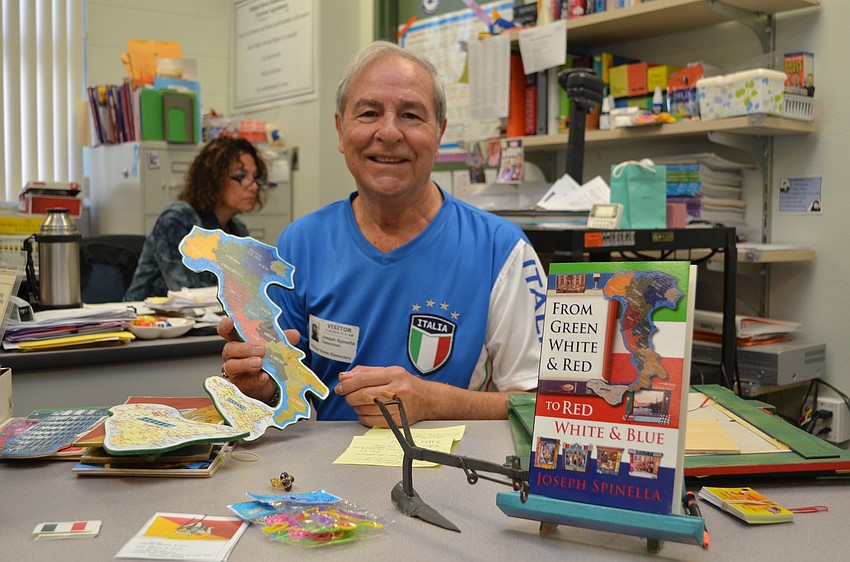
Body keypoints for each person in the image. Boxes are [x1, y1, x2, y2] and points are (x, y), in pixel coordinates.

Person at [218, 41, 546, 427]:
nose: (389, 132)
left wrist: (435, 401)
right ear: (341, 130)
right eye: (369, 113)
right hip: (324, 480)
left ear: (438, 133)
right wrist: (254, 385)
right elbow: (281, 392)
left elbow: (540, 404)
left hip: (451, 476)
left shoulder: (501, 250)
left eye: (410, 115)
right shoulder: (298, 245)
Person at [125, 137, 267, 300]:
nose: (254, 186)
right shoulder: (178, 220)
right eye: (241, 176)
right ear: (214, 179)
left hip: (207, 320)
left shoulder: (238, 230)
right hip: (149, 320)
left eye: (255, 177)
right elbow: (188, 293)